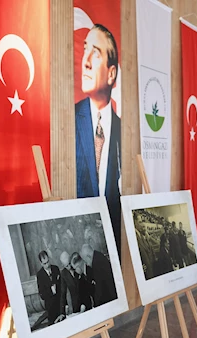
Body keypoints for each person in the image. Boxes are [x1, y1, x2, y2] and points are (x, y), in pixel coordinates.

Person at [75, 24, 122, 253]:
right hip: (79, 246)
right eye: (85, 50)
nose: (85, 61)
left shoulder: (123, 131)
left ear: (111, 73)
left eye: (95, 53)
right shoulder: (70, 120)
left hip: (112, 250)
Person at [36, 250, 63, 325]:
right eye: (44, 263)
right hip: (51, 308)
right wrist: (51, 290)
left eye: (48, 262)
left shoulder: (55, 269)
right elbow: (42, 294)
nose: (47, 265)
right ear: (41, 263)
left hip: (60, 305)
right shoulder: (40, 275)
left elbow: (62, 287)